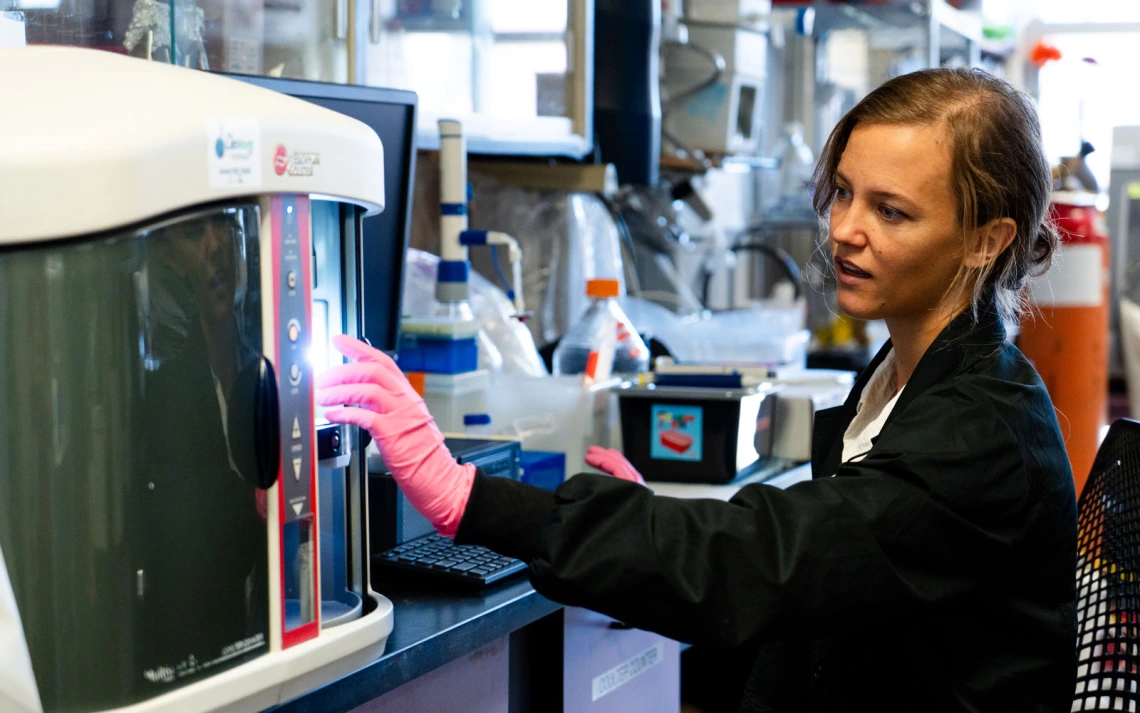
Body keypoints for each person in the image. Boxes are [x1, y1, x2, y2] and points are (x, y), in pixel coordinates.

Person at [317, 67, 1077, 712]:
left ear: (988, 239)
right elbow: (816, 597)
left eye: (890, 211)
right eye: (843, 192)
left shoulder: (980, 433)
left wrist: (466, 496)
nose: (844, 229)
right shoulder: (897, 384)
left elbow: (760, 560)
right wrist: (646, 553)